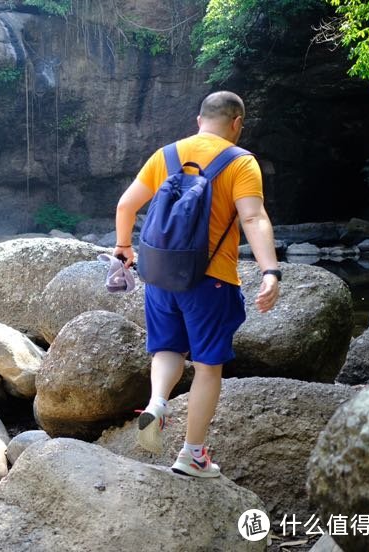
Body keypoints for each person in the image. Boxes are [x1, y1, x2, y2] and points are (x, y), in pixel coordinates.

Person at [114, 91, 280, 478]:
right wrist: (270, 270)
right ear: (237, 123)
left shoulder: (165, 155)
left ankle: (157, 402)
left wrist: (124, 248)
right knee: (207, 367)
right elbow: (253, 219)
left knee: (168, 348)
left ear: (198, 119)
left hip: (160, 276)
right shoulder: (241, 162)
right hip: (211, 281)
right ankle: (192, 455)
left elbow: (125, 205)